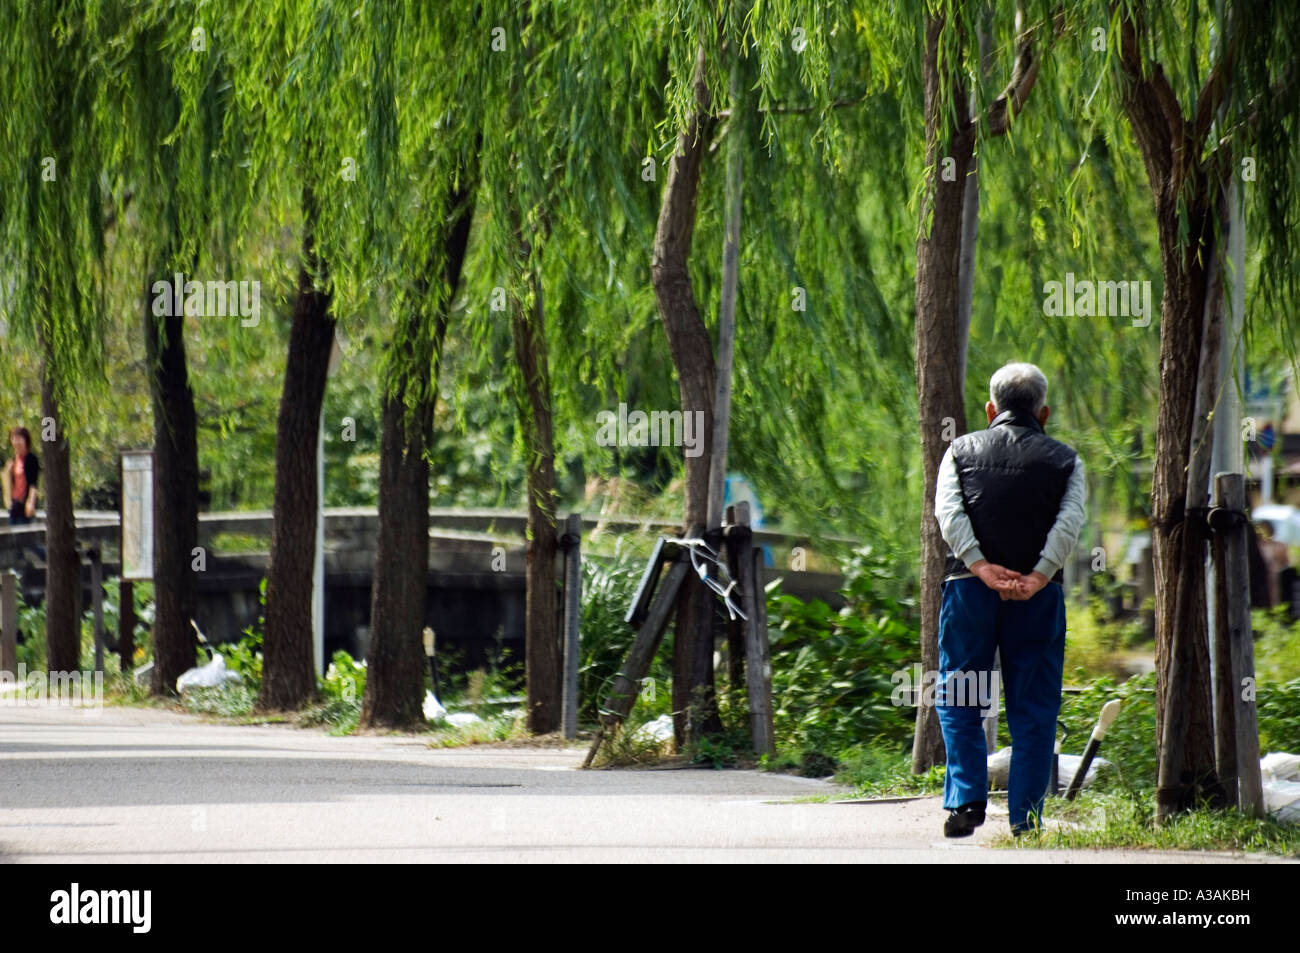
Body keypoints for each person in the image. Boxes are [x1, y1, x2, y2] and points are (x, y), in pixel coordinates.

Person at [933, 363, 1086, 837]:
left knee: (961, 695)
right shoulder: (1067, 460)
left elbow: (948, 512)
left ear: (990, 409)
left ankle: (965, 803)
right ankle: (1026, 819)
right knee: (1034, 707)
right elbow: (1070, 521)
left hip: (968, 591)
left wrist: (980, 566)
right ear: (1044, 412)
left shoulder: (959, 451)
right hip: (1037, 598)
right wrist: (1039, 575)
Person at [3, 426, 40, 525]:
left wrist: (31, 503)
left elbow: (33, 483)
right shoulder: (12, 461)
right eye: (13, 438)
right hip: (14, 506)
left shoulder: (31, 459)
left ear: (26, 440)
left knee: (25, 538)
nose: (16, 442)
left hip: (26, 506)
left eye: (19, 438)